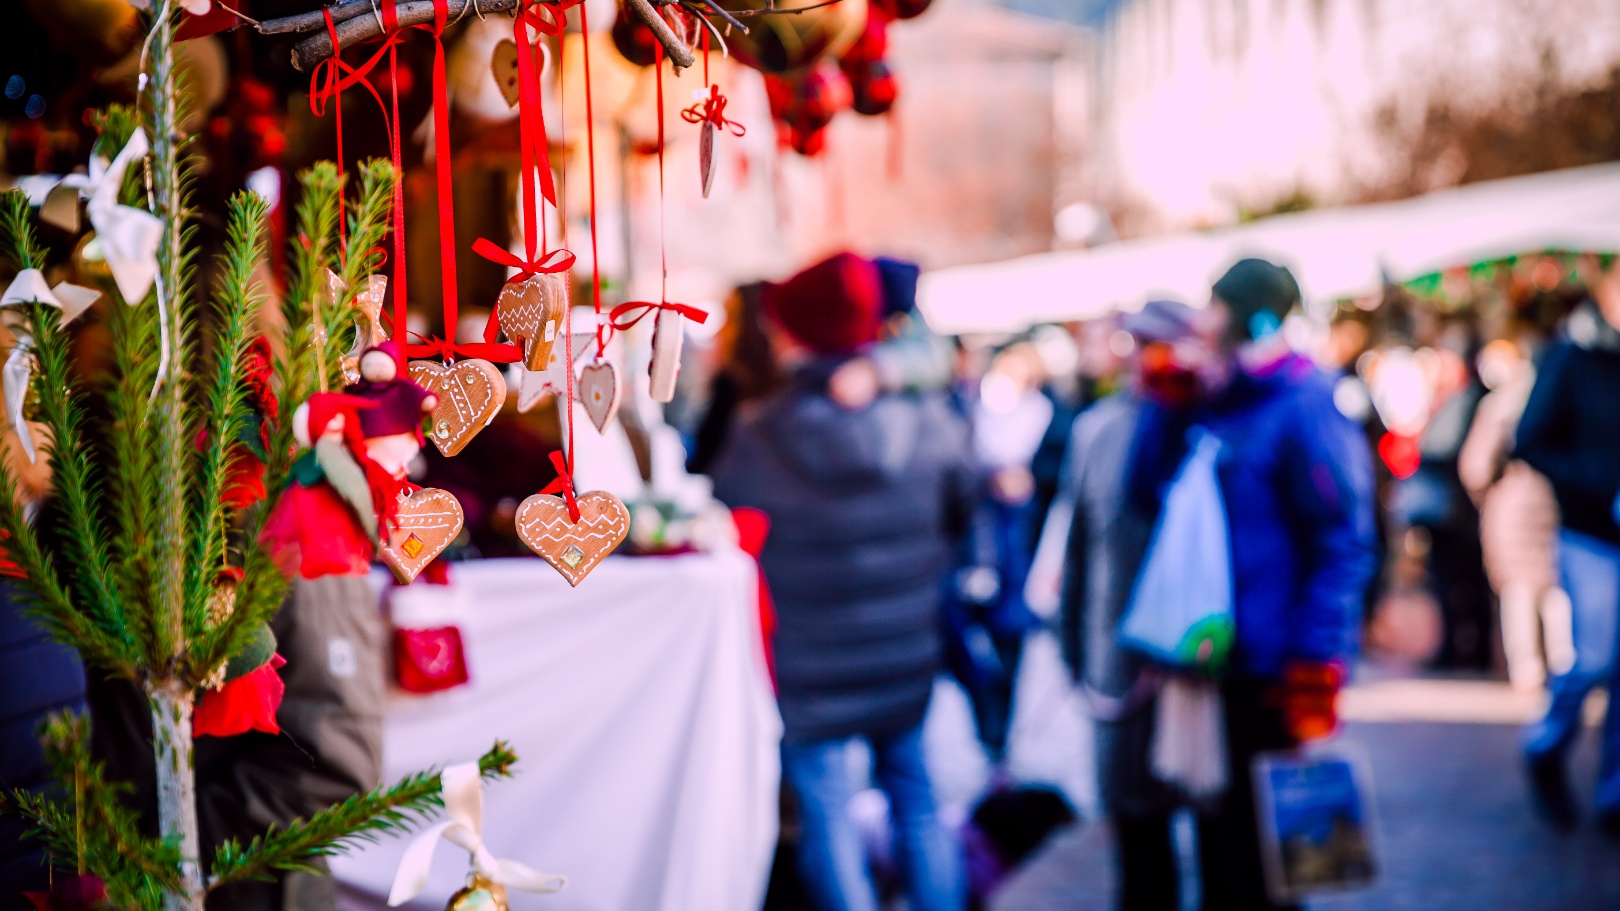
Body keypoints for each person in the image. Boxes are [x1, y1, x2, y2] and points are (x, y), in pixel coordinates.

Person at [1110, 260, 1378, 910]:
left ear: (1248, 316)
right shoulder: (1212, 399)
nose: (1206, 319)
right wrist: (1167, 405)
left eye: (1218, 305)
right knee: (1217, 839)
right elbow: (1144, 491)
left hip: (1272, 664)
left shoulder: (1302, 405)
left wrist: (1318, 660)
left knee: (1269, 863)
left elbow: (1341, 540)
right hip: (1209, 659)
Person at [711, 251, 972, 911]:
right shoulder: (930, 416)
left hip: (808, 663)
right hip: (904, 651)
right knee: (918, 800)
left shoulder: (758, 431)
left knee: (827, 818)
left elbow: (727, 526)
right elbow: (963, 513)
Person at [1057, 300, 1205, 911]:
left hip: (1203, 667)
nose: (1148, 360)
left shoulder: (1212, 424)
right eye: (1139, 345)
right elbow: (1080, 554)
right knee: (1138, 840)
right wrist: (1077, 653)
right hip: (1118, 665)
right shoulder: (1098, 431)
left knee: (1221, 835)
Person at [1515, 257, 1620, 833]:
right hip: (1589, 532)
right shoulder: (1572, 358)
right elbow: (1530, 438)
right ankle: (1546, 747)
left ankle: (1614, 794)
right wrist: (1597, 487)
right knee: (1594, 658)